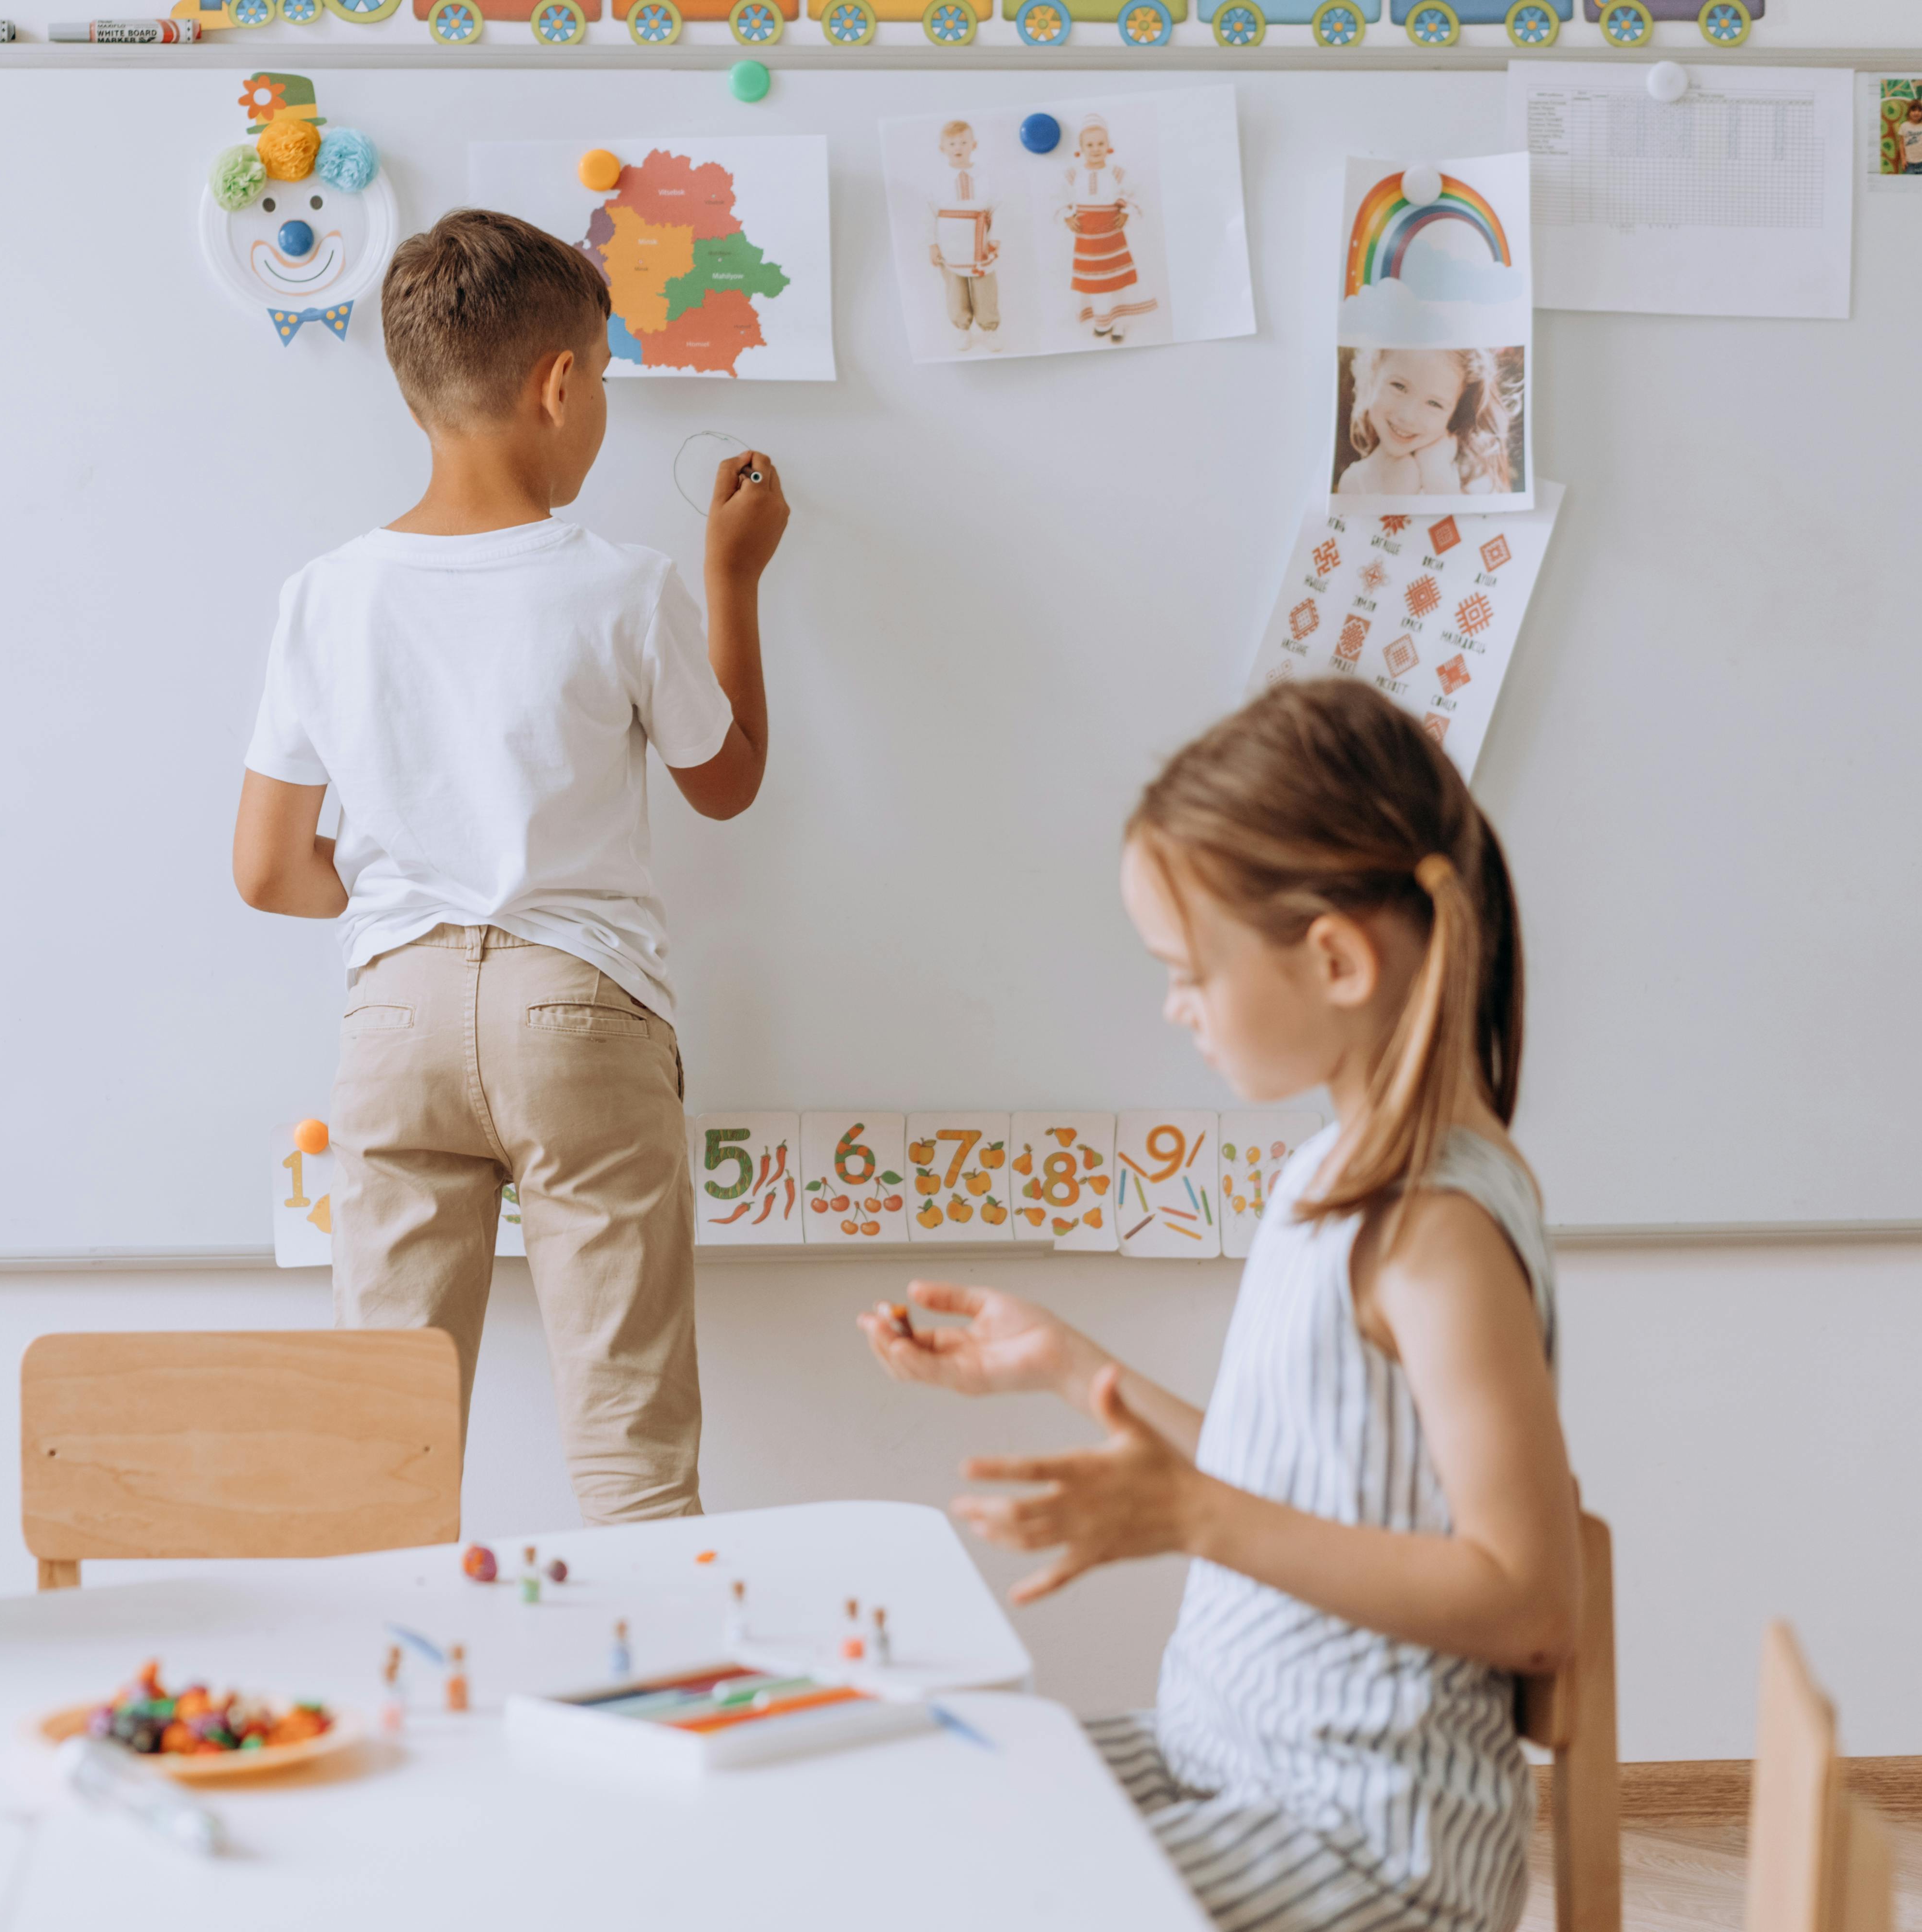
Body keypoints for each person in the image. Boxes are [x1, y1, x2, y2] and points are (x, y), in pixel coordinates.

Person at [861, 679, 1577, 1932]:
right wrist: (1066, 1364)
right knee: (915, 1809)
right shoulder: (1330, 1177)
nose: (1174, 1005)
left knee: (979, 1895)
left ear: (1339, 960)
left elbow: (1530, 1601)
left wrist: (1193, 1517)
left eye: (1189, 970)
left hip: (1371, 1843)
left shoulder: (1439, 1232)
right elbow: (1307, 1476)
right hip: (1228, 1756)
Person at [231, 207, 789, 1522]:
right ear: (560, 382)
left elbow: (264, 869)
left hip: (397, 1015)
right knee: (632, 1455)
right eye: (601, 374)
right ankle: (657, 1709)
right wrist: (734, 579)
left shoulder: (325, 594)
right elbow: (727, 781)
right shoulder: (623, 583)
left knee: (383, 1456)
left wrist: (399, 896)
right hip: (578, 1007)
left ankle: (387, 1708)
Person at [1337, 346, 1514, 497]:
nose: (1408, 417)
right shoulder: (1355, 482)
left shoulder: (1475, 474)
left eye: (1434, 404)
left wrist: (1437, 476)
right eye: (1399, 386)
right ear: (1372, 376)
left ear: (1454, 413)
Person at [1059, 115, 1152, 344]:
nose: (1096, 149)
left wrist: (1126, 211)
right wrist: (1067, 217)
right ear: (1081, 148)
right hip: (1087, 240)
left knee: (1117, 281)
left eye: (1101, 143)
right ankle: (1103, 321)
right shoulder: (1073, 175)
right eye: (1090, 145)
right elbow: (1058, 198)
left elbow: (1135, 194)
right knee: (1095, 283)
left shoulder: (1117, 173)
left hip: (1112, 238)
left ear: (1109, 145)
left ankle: (1120, 322)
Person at [925, 119, 1002, 349]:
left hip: (980, 242)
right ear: (943, 149)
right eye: (952, 143)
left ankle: (989, 329)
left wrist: (995, 237)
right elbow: (927, 213)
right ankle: (962, 329)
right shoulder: (936, 180)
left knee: (985, 287)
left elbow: (998, 207)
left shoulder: (986, 176)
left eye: (963, 142)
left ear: (973, 145)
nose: (958, 147)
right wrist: (932, 244)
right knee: (955, 289)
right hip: (950, 243)